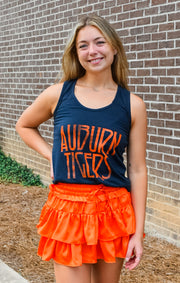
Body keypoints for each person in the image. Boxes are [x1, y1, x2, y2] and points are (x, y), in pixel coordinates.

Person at [16, 14, 147, 283]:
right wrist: (50, 154)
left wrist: (137, 233)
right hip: (68, 209)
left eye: (100, 42)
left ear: (114, 47)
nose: (92, 51)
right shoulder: (58, 94)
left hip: (113, 211)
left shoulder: (133, 104)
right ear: (76, 54)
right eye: (83, 45)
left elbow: (137, 169)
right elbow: (24, 125)